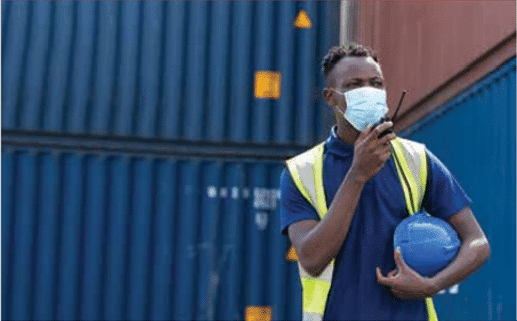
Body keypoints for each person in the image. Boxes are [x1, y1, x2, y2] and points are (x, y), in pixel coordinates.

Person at [279, 44, 490, 320]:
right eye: (354, 85)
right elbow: (312, 259)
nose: (369, 91)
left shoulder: (417, 160)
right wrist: (357, 175)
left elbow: (477, 242)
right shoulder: (301, 172)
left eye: (376, 84)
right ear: (331, 97)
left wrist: (432, 285)